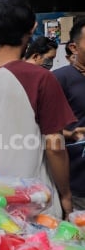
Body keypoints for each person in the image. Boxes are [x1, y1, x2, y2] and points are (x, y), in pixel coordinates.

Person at [0, 0, 75, 219]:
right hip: (33, 207)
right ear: (32, 28)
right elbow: (55, 145)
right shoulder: (40, 78)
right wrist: (66, 194)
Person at [53, 18, 85, 211]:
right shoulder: (59, 79)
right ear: (74, 47)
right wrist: (69, 134)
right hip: (77, 182)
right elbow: (42, 127)